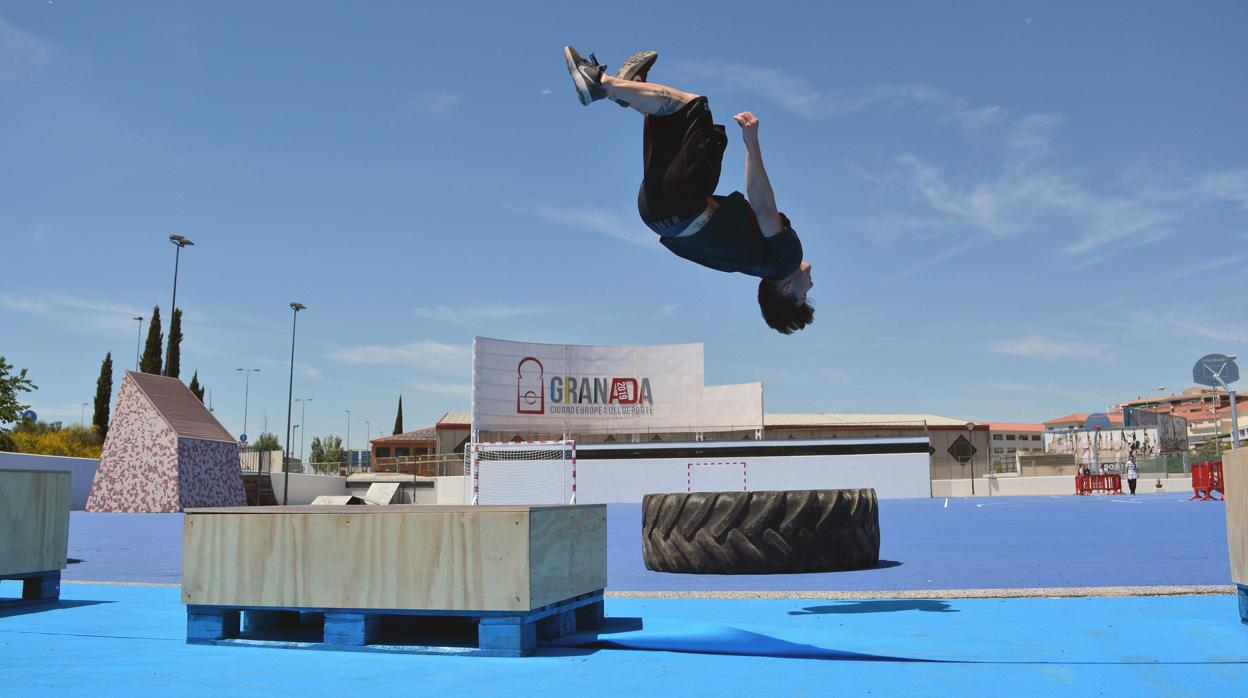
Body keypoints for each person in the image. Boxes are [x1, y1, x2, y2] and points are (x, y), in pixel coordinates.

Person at [563, 46, 815, 334]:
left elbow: (763, 206)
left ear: (786, 288)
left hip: (682, 203)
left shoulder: (787, 261)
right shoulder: (746, 262)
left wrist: (752, 143)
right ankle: (633, 87)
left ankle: (600, 83)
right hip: (658, 215)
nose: (810, 286)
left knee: (691, 106)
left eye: (804, 294)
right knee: (673, 122)